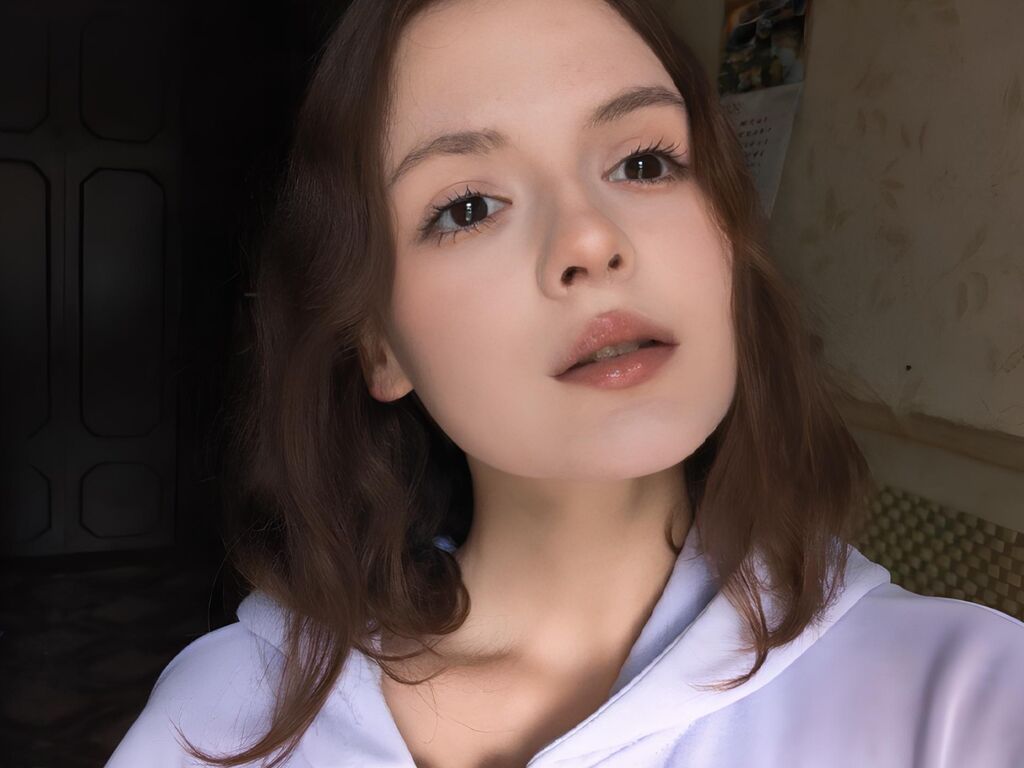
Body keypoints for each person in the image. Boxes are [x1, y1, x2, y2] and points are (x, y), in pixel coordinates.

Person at [105, 0, 1024, 766]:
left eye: (644, 163)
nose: (590, 238)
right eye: (468, 207)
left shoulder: (959, 701)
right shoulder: (223, 723)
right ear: (380, 347)